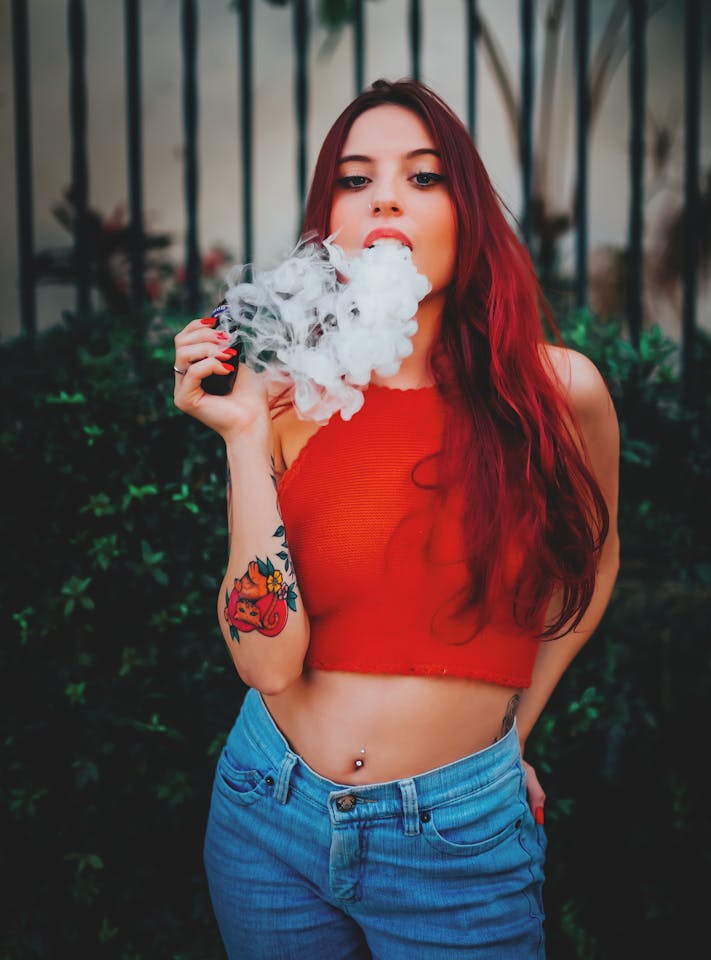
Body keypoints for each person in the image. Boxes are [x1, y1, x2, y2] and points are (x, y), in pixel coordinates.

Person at [173, 78, 620, 959]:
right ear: (329, 224)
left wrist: (507, 745)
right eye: (354, 178)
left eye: (422, 177)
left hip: (458, 844)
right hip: (268, 817)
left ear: (468, 216)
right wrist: (240, 435)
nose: (384, 195)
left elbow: (592, 568)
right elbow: (266, 661)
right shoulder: (289, 400)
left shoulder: (558, 393)